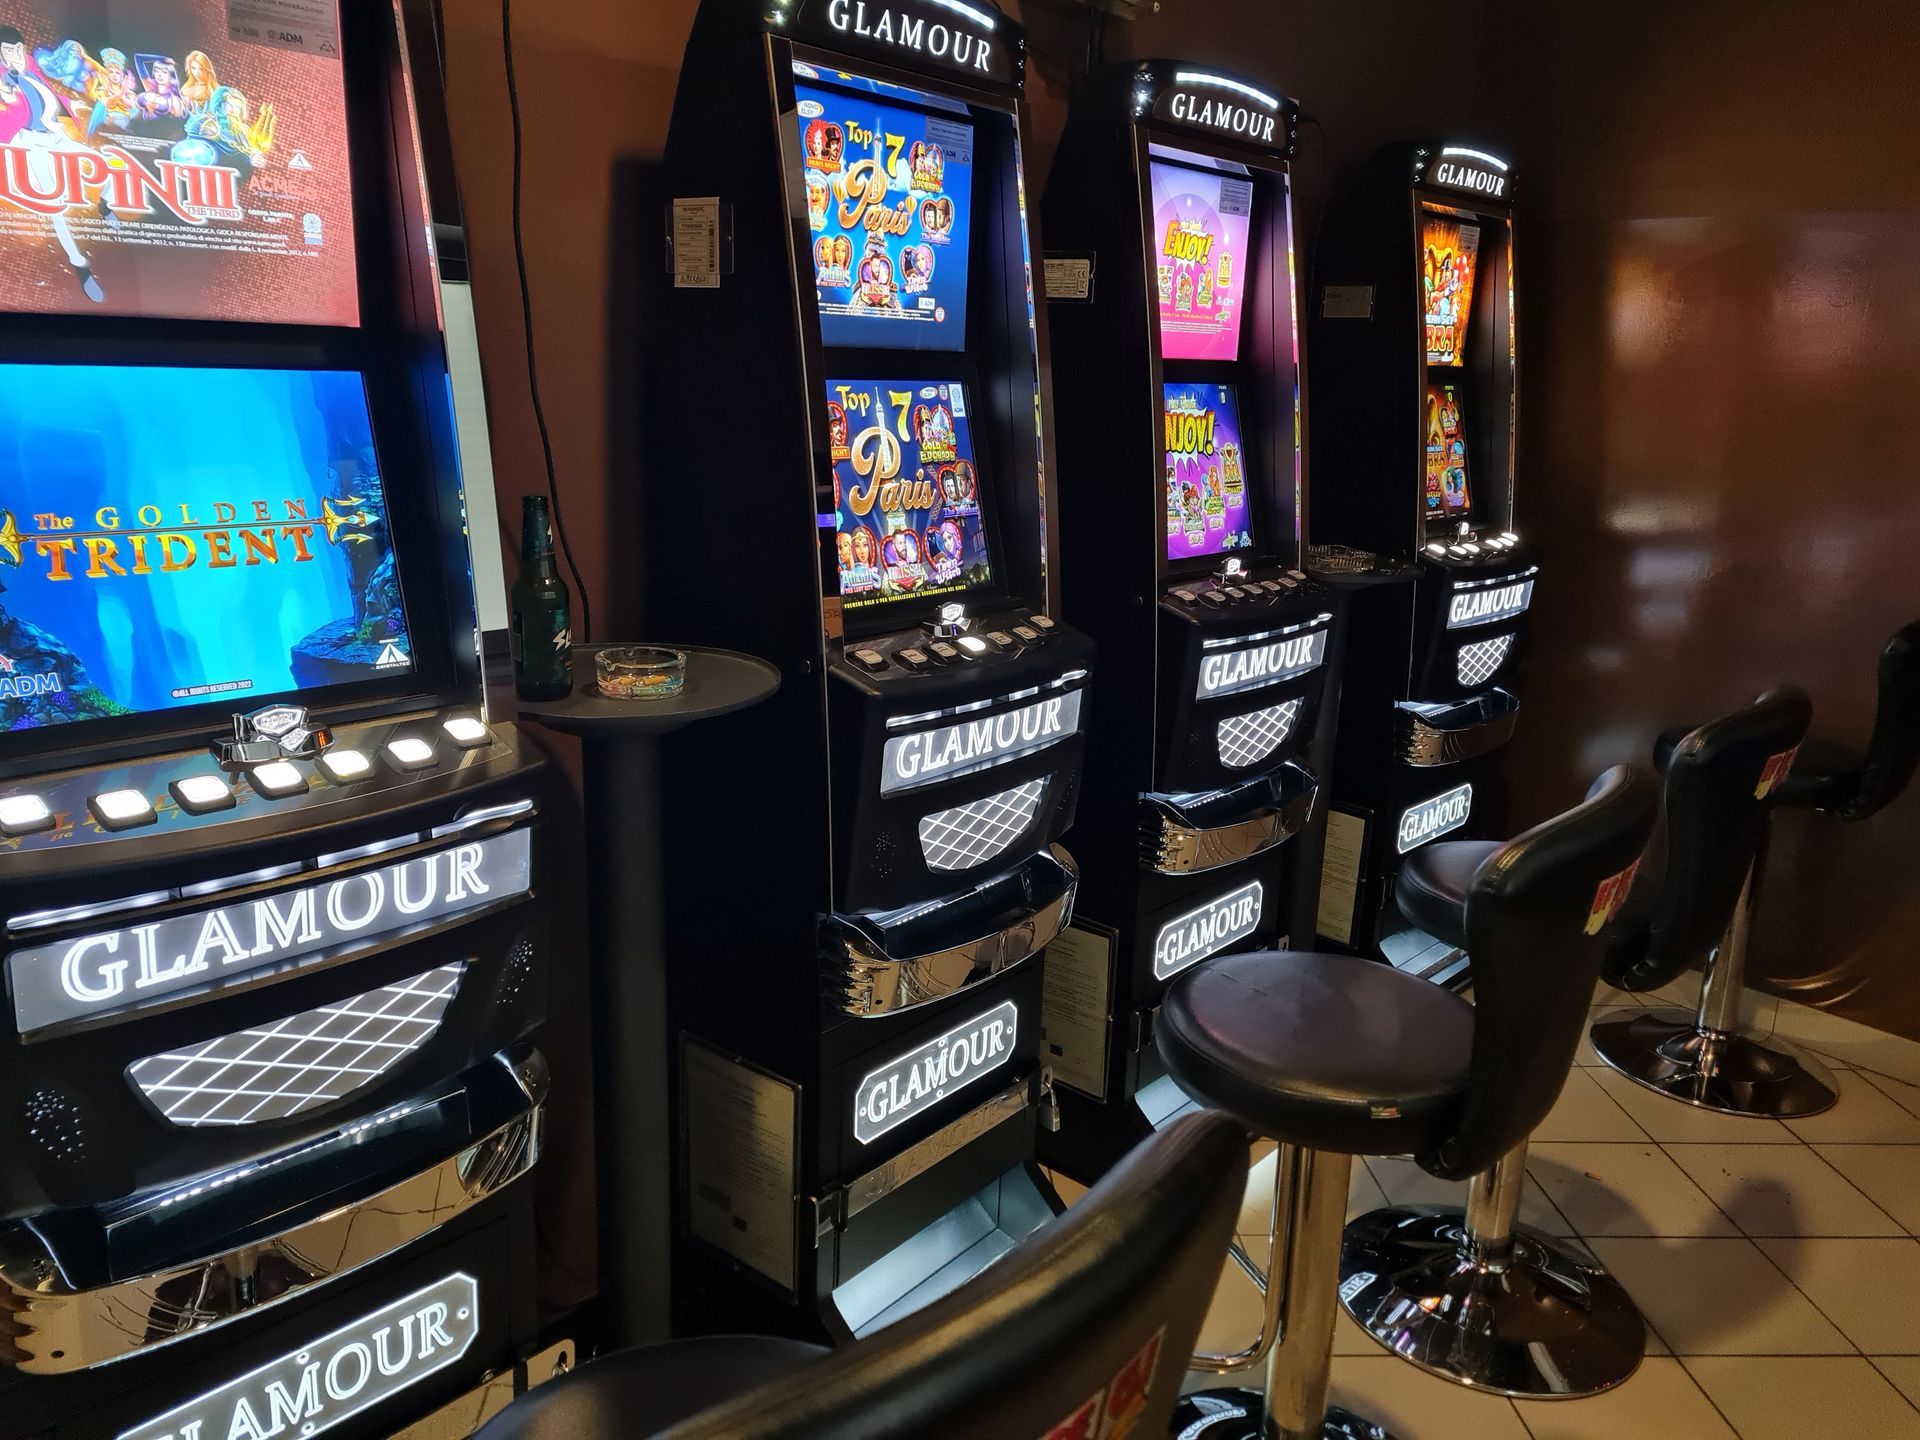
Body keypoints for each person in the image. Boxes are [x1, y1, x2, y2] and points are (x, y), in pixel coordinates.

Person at [0, 27, 105, 303]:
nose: (11, 55)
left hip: (57, 135)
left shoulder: (31, 66)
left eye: (15, 49)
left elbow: (48, 89)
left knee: (101, 163)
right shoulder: (4, 78)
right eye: (5, 51)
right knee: (56, 208)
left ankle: (105, 204)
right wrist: (9, 91)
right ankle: (81, 266)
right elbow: (11, 110)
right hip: (33, 144)